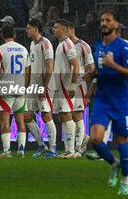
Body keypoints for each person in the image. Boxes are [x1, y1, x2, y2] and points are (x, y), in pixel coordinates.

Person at [89, 10, 128, 195]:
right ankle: (114, 164)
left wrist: (113, 65)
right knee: (95, 138)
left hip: (120, 100)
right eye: (102, 20)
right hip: (102, 99)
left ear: (116, 25)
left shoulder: (123, 47)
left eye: (108, 20)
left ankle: (125, 180)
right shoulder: (97, 47)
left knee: (121, 140)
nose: (104, 23)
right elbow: (101, 71)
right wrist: (92, 77)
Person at [0, 24, 29, 158]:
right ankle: (21, 150)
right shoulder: (24, 50)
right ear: (14, 35)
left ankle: (7, 152)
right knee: (20, 121)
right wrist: (24, 87)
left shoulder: (0, 50)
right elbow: (27, 71)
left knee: (5, 121)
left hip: (5, 88)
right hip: (20, 88)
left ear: (2, 36)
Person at [24, 19, 57, 158]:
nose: (27, 30)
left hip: (45, 85)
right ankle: (41, 145)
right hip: (33, 85)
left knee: (46, 116)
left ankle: (53, 150)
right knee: (26, 116)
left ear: (36, 29)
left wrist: (44, 86)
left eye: (28, 28)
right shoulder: (32, 44)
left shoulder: (45, 43)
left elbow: (50, 66)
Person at [51, 19, 79, 158]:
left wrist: (73, 85)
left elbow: (76, 65)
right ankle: (70, 149)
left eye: (56, 27)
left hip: (66, 86)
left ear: (63, 30)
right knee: (62, 116)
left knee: (67, 115)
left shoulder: (67, 44)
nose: (53, 29)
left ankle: (71, 150)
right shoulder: (61, 44)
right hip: (59, 86)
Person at [67, 23, 95, 156]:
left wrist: (87, 77)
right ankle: (82, 138)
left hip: (78, 83)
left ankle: (78, 147)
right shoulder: (63, 45)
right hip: (66, 83)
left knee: (77, 114)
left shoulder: (83, 46)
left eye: (67, 30)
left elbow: (91, 66)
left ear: (73, 29)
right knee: (68, 114)